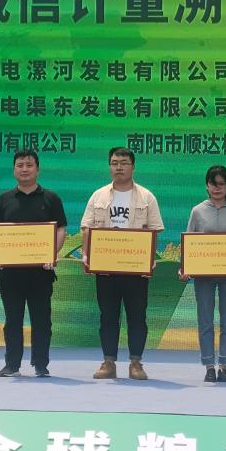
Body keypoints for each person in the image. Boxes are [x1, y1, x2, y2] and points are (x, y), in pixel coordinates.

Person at [81, 146, 165, 380]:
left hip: (135, 269)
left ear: (133, 166)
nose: (119, 167)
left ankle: (136, 363)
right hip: (106, 268)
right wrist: (86, 256)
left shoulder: (146, 197)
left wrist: (149, 259)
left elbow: (153, 231)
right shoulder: (98, 196)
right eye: (114, 163)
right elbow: (87, 228)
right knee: (108, 316)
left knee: (137, 317)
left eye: (124, 163)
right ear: (110, 166)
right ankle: (108, 362)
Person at [0, 149, 68, 378]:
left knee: (42, 320)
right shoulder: (4, 199)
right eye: (20, 165)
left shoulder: (51, 198)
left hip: (40, 273)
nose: (24, 169)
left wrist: (52, 254)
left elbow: (60, 229)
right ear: (14, 169)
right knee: (12, 320)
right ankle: (12, 364)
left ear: (37, 169)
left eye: (29, 165)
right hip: (10, 273)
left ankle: (41, 364)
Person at [180, 165, 226, 384]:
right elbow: (189, 241)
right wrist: (184, 268)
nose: (217, 188)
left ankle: (224, 367)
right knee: (205, 321)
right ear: (206, 185)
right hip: (203, 276)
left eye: (222, 184)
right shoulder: (197, 210)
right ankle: (209, 366)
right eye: (213, 183)